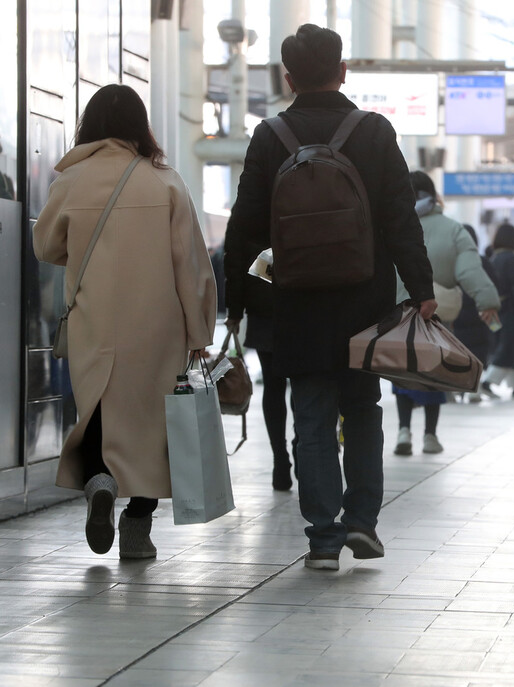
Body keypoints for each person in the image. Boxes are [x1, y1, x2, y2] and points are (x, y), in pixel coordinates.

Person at [224, 24, 436, 571]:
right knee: (362, 408)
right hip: (365, 301)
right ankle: (362, 522)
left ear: (288, 77)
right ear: (343, 71)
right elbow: (398, 219)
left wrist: (244, 297)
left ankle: (322, 538)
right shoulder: (372, 131)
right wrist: (421, 290)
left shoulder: (269, 136)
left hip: (297, 303)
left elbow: (244, 228)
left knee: (311, 416)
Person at [32, 84, 217, 559]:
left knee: (98, 412)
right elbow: (192, 267)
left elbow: (46, 247)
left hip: (95, 322)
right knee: (153, 430)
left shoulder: (71, 181)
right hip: (157, 331)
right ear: (140, 126)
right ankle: (137, 529)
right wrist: (199, 332)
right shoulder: (166, 182)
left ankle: (99, 483)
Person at [393, 171, 500, 454]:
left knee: (403, 370)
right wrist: (487, 300)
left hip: (398, 313)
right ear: (434, 196)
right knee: (434, 371)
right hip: (435, 314)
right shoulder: (453, 229)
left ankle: (403, 431)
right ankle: (430, 435)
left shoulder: (391, 225)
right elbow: (469, 270)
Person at [223, 233, 298, 491]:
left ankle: (281, 460)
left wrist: (234, 309)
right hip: (303, 301)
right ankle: (302, 448)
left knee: (273, 386)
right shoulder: (308, 194)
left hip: (265, 303)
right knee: (303, 382)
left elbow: (235, 255)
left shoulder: (255, 199)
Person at [481, 222, 514, 398]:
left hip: (495, 312)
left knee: (506, 345)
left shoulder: (494, 258)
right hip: (511, 312)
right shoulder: (511, 260)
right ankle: (487, 382)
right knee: (508, 347)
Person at [452, 224, 500, 403]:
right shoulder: (482, 261)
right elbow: (494, 284)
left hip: (458, 313)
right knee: (478, 351)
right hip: (480, 314)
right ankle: (474, 388)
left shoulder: (453, 261)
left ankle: (459, 387)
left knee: (459, 351)